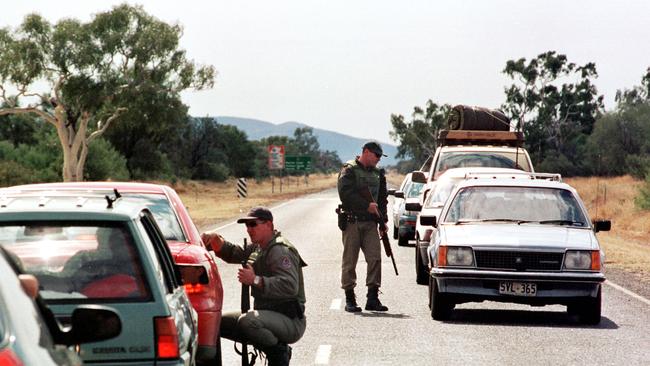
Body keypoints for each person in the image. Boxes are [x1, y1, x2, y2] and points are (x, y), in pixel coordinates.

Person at [201, 207, 307, 366]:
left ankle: (279, 354)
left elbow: (290, 286)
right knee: (215, 322)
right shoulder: (259, 247)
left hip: (289, 319)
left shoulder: (280, 250)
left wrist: (256, 280)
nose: (249, 229)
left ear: (269, 225)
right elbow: (234, 253)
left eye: (253, 224)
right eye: (247, 225)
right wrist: (216, 241)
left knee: (248, 322)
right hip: (268, 313)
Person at [337, 141, 389, 312]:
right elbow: (346, 194)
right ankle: (350, 298)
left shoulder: (378, 174)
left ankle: (372, 298)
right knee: (350, 260)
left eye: (380, 157)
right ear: (366, 152)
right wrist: (365, 205)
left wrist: (383, 221)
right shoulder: (349, 170)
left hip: (371, 223)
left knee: (375, 259)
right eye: (376, 155)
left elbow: (382, 199)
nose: (378, 159)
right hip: (352, 221)